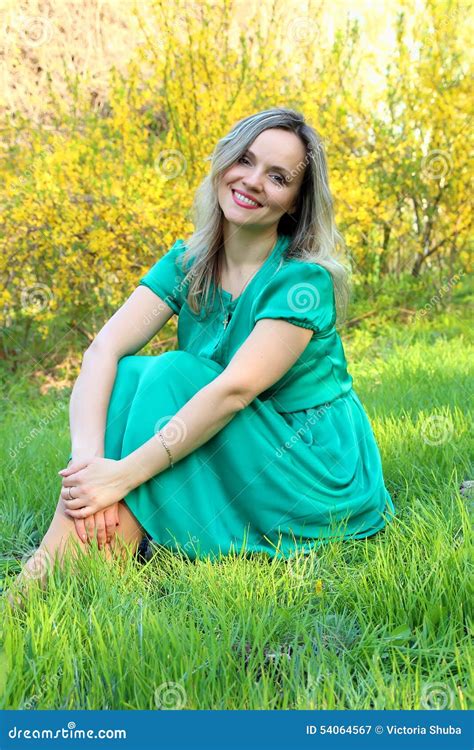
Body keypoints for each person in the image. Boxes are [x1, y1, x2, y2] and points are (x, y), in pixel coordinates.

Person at [7, 107, 395, 608]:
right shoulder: (190, 260)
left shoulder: (302, 282)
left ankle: (38, 588)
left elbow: (233, 391)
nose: (253, 181)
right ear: (224, 160)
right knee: (128, 373)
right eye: (246, 160)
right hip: (240, 437)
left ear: (295, 204)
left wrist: (123, 475)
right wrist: (90, 465)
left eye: (277, 177)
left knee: (173, 373)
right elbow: (103, 349)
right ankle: (81, 565)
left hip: (311, 461)